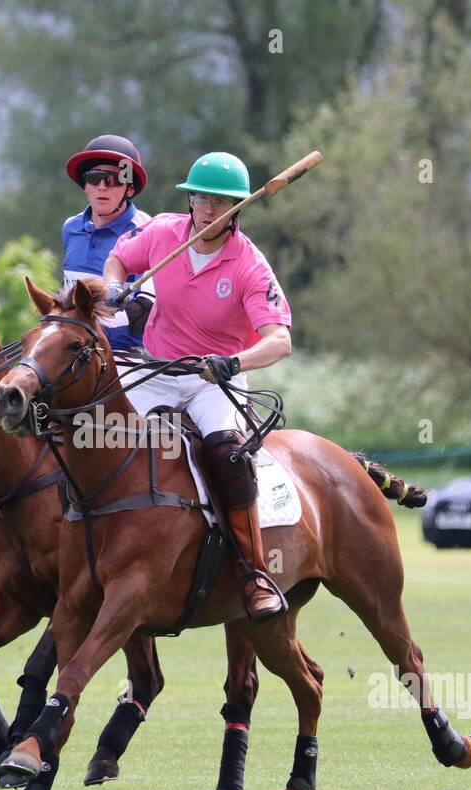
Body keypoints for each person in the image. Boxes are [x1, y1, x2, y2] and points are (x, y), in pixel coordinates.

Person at [103, 151, 292, 620]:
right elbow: (117, 259)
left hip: (212, 381)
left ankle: (253, 574)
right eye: (202, 198)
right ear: (190, 200)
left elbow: (280, 341)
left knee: (227, 452)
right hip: (156, 371)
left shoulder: (250, 265)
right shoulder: (163, 232)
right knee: (96, 427)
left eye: (221, 201)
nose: (209, 209)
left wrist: (232, 363)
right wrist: (114, 289)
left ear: (238, 208)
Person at [61, 135, 154, 354]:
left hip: (125, 354)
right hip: (73, 350)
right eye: (94, 178)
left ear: (130, 189)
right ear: (85, 185)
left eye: (112, 179)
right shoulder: (70, 228)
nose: (102, 186)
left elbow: (145, 316)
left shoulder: (149, 231)